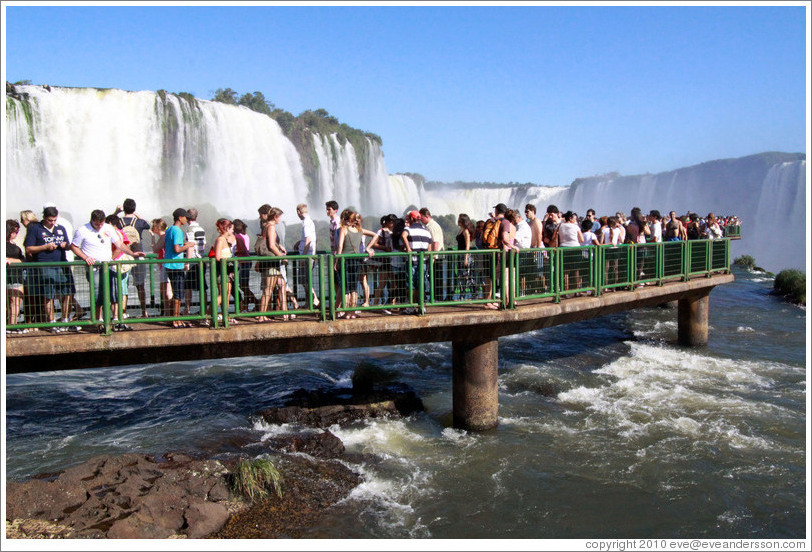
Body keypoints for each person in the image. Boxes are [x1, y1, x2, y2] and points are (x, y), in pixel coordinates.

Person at [71, 209, 146, 332]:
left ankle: (115, 320)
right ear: (92, 220)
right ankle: (99, 321)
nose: (100, 226)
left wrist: (132, 253)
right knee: (97, 295)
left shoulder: (108, 228)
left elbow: (120, 245)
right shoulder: (82, 230)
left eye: (101, 223)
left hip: (108, 266)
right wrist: (85, 257)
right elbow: (74, 246)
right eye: (97, 224)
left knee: (114, 293)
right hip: (94, 267)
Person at [24, 205, 74, 332]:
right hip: (45, 265)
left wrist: (66, 245)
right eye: (50, 220)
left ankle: (65, 320)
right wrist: (45, 247)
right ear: (44, 217)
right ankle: (51, 322)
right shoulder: (35, 228)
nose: (52, 223)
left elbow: (68, 245)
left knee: (67, 292)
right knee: (48, 294)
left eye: (54, 220)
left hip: (62, 264)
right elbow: (29, 248)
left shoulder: (61, 228)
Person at [115, 198, 151, 318]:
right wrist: (137, 215)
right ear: (134, 208)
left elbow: (108, 223)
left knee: (122, 284)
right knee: (140, 284)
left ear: (124, 209)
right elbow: (148, 225)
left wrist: (116, 212)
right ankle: (144, 311)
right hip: (138, 255)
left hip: (124, 255)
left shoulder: (119, 222)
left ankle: (123, 312)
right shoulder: (139, 222)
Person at [162, 208, 196, 328]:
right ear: (180, 218)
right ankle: (177, 320)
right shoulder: (177, 231)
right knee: (178, 294)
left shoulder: (169, 229)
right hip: (176, 265)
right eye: (185, 217)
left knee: (176, 293)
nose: (187, 219)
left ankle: (171, 318)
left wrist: (185, 245)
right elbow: (177, 249)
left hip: (168, 264)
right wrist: (188, 245)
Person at [203, 218, 237, 326]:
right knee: (223, 295)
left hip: (227, 271)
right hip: (221, 271)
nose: (232, 231)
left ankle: (224, 316)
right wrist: (227, 261)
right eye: (231, 229)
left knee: (226, 295)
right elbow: (217, 256)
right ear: (227, 228)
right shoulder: (220, 240)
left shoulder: (226, 240)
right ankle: (208, 315)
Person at [256, 207, 288, 322]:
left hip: (269, 261)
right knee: (268, 290)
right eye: (280, 216)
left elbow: (273, 243)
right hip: (271, 262)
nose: (281, 219)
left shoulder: (265, 225)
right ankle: (261, 316)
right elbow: (271, 245)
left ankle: (285, 314)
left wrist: (280, 247)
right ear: (275, 217)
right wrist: (281, 257)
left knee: (282, 284)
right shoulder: (271, 226)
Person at [105, 214, 135, 329]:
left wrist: (110, 260)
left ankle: (118, 317)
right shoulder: (120, 232)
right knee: (121, 291)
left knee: (117, 292)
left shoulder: (114, 233)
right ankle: (120, 316)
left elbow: (119, 248)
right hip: (122, 265)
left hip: (116, 265)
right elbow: (127, 244)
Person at [400, 210, 432, 315]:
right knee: (421, 284)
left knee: (411, 284)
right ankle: (422, 306)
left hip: (411, 261)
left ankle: (412, 306)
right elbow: (429, 249)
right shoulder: (427, 232)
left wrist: (408, 248)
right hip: (422, 262)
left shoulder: (408, 229)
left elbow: (403, 236)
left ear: (412, 219)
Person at [365, 214, 396, 313]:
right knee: (382, 283)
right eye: (390, 221)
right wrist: (384, 248)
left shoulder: (394, 231)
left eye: (393, 221)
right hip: (384, 260)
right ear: (386, 222)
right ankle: (375, 304)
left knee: (394, 283)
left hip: (393, 260)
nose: (391, 223)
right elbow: (374, 243)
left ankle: (392, 304)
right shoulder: (381, 231)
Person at [419, 207, 446, 302]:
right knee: (433, 278)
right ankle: (435, 298)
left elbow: (436, 242)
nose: (420, 220)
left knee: (435, 278)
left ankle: (437, 299)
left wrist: (433, 257)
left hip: (436, 256)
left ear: (426, 216)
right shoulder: (430, 226)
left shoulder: (432, 226)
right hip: (435, 255)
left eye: (421, 218)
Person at [183, 207, 207, 316]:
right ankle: (204, 309)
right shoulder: (201, 228)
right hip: (201, 260)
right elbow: (204, 245)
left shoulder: (189, 229)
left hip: (193, 260)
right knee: (202, 285)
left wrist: (187, 262)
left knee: (188, 286)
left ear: (187, 218)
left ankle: (187, 309)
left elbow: (190, 246)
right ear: (196, 217)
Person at [296, 203, 319, 307]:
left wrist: (303, 256)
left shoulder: (306, 223)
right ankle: (308, 302)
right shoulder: (310, 221)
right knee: (305, 279)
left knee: (304, 280)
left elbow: (308, 240)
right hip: (310, 255)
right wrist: (299, 243)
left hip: (307, 256)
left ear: (298, 212)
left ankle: (315, 299)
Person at [555, 210, 584, 294]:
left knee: (565, 271)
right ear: (570, 218)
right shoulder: (575, 226)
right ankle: (576, 290)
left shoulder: (560, 226)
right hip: (575, 249)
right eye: (574, 218)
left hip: (563, 249)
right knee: (575, 270)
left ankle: (565, 291)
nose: (575, 220)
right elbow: (582, 239)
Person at [232, 219, 257, 311]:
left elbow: (243, 250)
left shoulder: (238, 236)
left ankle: (256, 302)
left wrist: (234, 252)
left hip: (243, 262)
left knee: (243, 286)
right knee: (244, 285)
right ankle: (246, 306)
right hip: (246, 262)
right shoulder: (245, 235)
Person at [150, 218, 173, 319]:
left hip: (165, 265)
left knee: (167, 290)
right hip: (163, 265)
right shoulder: (165, 235)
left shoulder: (163, 237)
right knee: (164, 290)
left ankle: (170, 313)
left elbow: (155, 249)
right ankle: (167, 312)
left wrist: (152, 237)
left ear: (158, 228)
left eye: (153, 227)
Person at [6, 220, 26, 334]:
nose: (17, 234)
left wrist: (13, 260)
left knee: (16, 300)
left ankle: (12, 324)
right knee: (14, 300)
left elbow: (22, 259)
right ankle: (11, 325)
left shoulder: (14, 245)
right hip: (10, 276)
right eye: (16, 232)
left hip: (16, 275)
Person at [454, 214, 476, 300]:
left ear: (462, 221)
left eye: (459, 220)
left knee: (467, 276)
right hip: (460, 255)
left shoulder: (466, 231)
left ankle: (472, 295)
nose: (458, 221)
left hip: (465, 255)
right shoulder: (461, 230)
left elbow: (467, 245)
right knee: (461, 276)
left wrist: (466, 258)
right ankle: (462, 296)